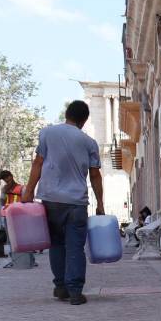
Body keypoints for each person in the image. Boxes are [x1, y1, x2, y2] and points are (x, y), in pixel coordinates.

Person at [22, 99, 104, 305]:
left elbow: (38, 163)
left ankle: (60, 287)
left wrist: (29, 191)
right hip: (76, 203)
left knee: (56, 245)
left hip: (50, 200)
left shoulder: (47, 133)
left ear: (66, 114)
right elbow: (95, 175)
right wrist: (100, 203)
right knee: (75, 247)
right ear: (84, 120)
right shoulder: (89, 142)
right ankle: (75, 292)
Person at [0, 169, 36, 268]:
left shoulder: (22, 188)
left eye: (7, 177)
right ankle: (12, 259)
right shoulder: (4, 189)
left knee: (24, 237)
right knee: (9, 238)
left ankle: (31, 259)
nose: (6, 180)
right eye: (4, 179)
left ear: (11, 176)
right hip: (8, 216)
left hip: (20, 217)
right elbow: (2, 203)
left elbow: (27, 202)